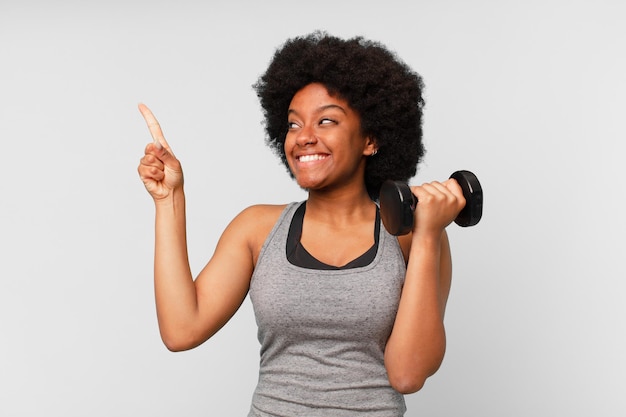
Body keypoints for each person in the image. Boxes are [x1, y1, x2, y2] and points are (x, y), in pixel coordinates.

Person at [137, 32, 466, 416]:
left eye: (326, 121)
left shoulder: (411, 238)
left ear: (370, 140)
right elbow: (181, 330)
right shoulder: (256, 229)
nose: (305, 137)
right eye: (294, 125)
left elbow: (408, 375)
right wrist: (168, 199)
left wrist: (428, 233)